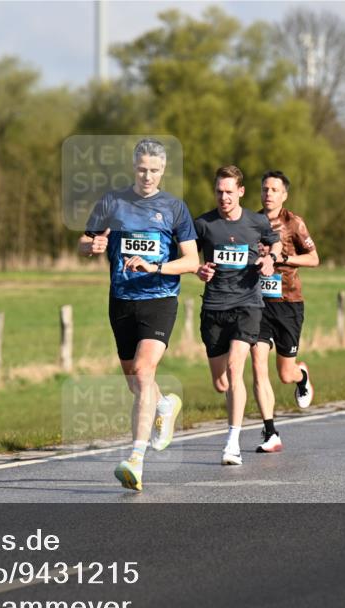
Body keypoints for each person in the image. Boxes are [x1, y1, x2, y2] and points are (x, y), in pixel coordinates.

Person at [78, 138, 200, 490]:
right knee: (134, 380)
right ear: (134, 167)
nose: (148, 176)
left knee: (145, 371)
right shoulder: (112, 201)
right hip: (121, 299)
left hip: (159, 298)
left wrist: (156, 267)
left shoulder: (175, 209)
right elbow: (86, 241)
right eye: (142, 169)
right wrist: (92, 245)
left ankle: (135, 459)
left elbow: (191, 261)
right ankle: (164, 405)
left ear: (163, 171)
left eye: (155, 171)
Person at [194, 166, 281, 465]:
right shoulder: (204, 224)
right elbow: (188, 256)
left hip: (248, 305)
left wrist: (270, 258)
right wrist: (198, 269)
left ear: (241, 192)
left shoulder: (256, 222)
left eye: (229, 191)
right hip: (214, 308)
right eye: (219, 191)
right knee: (221, 383)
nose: (224, 197)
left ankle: (232, 442)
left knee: (235, 368)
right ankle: (232, 430)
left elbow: (276, 242)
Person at [252, 170, 319, 453]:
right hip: (258, 304)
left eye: (274, 190)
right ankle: (270, 431)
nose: (268, 194)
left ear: (284, 195)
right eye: (265, 189)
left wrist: (285, 258)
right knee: (257, 362)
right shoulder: (251, 221)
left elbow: (315, 258)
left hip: (289, 304)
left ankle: (301, 376)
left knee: (285, 373)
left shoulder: (294, 223)